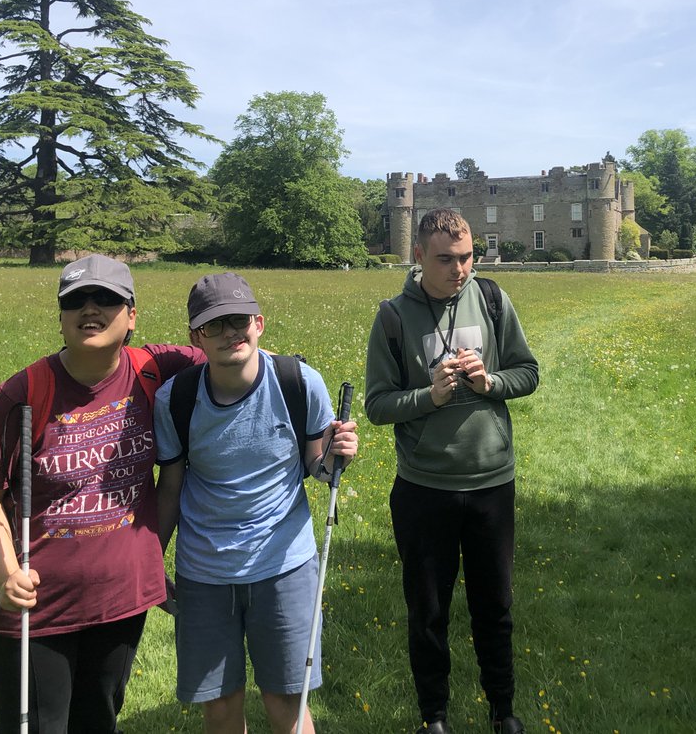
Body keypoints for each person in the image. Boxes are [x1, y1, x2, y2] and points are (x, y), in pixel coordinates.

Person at [0, 254, 205, 733]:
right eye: (75, 300)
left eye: (106, 299)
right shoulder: (23, 393)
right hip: (34, 605)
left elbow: (232, 358)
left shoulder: (157, 370)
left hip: (120, 598)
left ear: (132, 314)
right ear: (61, 317)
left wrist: (313, 416)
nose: (89, 309)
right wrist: (6, 574)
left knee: (98, 721)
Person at [154, 272, 359, 734]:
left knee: (287, 703)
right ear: (196, 337)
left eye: (240, 319)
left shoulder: (298, 382)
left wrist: (335, 456)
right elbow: (169, 486)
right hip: (205, 573)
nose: (231, 331)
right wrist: (150, 562)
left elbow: (318, 469)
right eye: (215, 324)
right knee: (221, 709)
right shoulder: (177, 399)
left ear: (259, 323)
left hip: (285, 568)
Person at [365, 208, 539, 734]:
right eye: (446, 260)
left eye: (467, 258)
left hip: (491, 481)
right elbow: (376, 405)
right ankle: (433, 718)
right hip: (424, 488)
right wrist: (429, 396)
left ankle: (503, 713)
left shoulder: (491, 299)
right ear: (418, 256)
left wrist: (490, 383)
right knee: (429, 611)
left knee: (496, 607)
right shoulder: (394, 316)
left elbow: (528, 372)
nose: (459, 269)